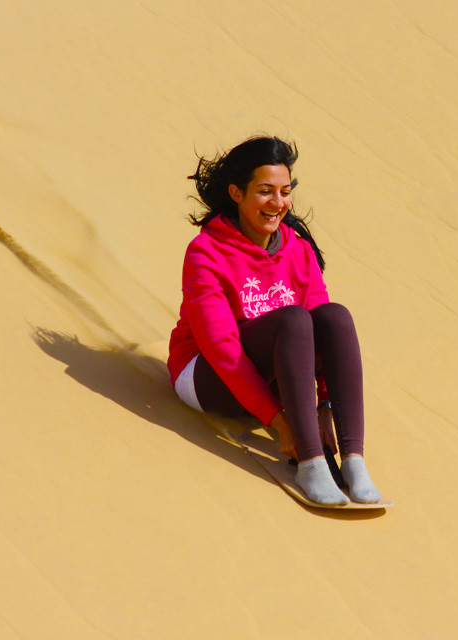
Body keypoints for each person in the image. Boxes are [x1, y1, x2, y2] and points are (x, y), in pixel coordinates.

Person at [167, 136, 382, 505]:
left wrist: (323, 409)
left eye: (285, 192)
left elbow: (323, 335)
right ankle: (311, 463)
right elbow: (222, 350)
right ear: (236, 193)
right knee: (294, 321)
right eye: (265, 191)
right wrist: (280, 425)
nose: (278, 204)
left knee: (333, 317)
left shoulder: (296, 248)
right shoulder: (206, 251)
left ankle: (353, 460)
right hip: (206, 376)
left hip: (275, 370)